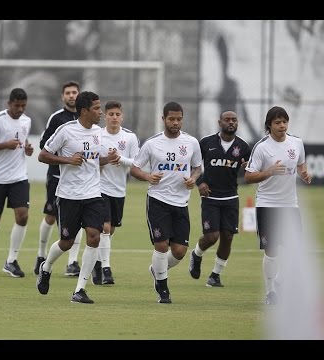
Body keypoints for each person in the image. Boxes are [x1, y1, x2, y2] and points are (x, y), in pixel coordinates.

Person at [36, 91, 119, 303]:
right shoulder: (66, 131)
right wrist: (67, 160)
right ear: (84, 111)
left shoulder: (99, 133)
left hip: (93, 194)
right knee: (66, 242)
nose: (100, 112)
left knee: (94, 236)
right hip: (68, 195)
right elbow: (43, 155)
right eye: (96, 109)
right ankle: (46, 267)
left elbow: (94, 161)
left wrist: (107, 159)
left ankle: (80, 289)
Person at [130, 101, 202, 304]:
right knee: (161, 245)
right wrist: (147, 176)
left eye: (179, 119)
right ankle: (163, 289)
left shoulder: (191, 143)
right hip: (158, 200)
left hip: (181, 202)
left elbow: (197, 167)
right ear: (163, 119)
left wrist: (193, 179)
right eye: (171, 119)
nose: (175, 122)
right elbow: (134, 168)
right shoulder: (152, 143)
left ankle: (157, 269)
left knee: (179, 252)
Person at [244, 106, 311, 305]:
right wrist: (269, 172)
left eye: (284, 122)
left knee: (294, 250)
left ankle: (280, 281)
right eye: (277, 122)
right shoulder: (262, 147)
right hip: (267, 204)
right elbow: (248, 176)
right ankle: (270, 292)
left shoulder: (297, 143)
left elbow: (300, 164)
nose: (282, 126)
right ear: (269, 125)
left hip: (291, 205)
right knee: (271, 250)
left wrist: (304, 173)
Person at [188, 110, 251, 287]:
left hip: (231, 196)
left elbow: (250, 173)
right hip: (210, 196)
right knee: (212, 236)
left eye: (234, 120)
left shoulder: (243, 147)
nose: (231, 122)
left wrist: (248, 168)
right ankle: (197, 254)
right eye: (227, 120)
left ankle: (215, 275)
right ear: (219, 122)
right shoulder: (206, 143)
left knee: (228, 237)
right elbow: (192, 164)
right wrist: (199, 182)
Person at [34, 81, 84, 277]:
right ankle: (40, 255)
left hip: (80, 180)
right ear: (63, 97)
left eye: (74, 92)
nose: (72, 96)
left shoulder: (85, 118)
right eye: (68, 93)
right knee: (50, 216)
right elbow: (43, 145)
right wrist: (65, 158)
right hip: (57, 176)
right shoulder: (57, 118)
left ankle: (72, 262)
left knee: (79, 218)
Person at [0, 88, 33, 278]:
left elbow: (22, 144)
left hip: (19, 177)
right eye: (17, 105)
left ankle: (11, 260)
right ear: (9, 104)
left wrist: (27, 149)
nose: (20, 109)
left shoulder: (27, 121)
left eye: (23, 106)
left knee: (23, 216)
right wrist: (4, 145)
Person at [91, 100, 140, 285]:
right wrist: (105, 160)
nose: (114, 117)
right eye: (110, 114)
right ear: (105, 116)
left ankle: (96, 262)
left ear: (122, 116)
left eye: (117, 114)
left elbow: (137, 162)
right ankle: (106, 269)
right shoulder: (97, 135)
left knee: (109, 231)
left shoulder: (130, 137)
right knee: (104, 227)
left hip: (119, 190)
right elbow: (92, 161)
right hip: (99, 188)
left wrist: (120, 159)